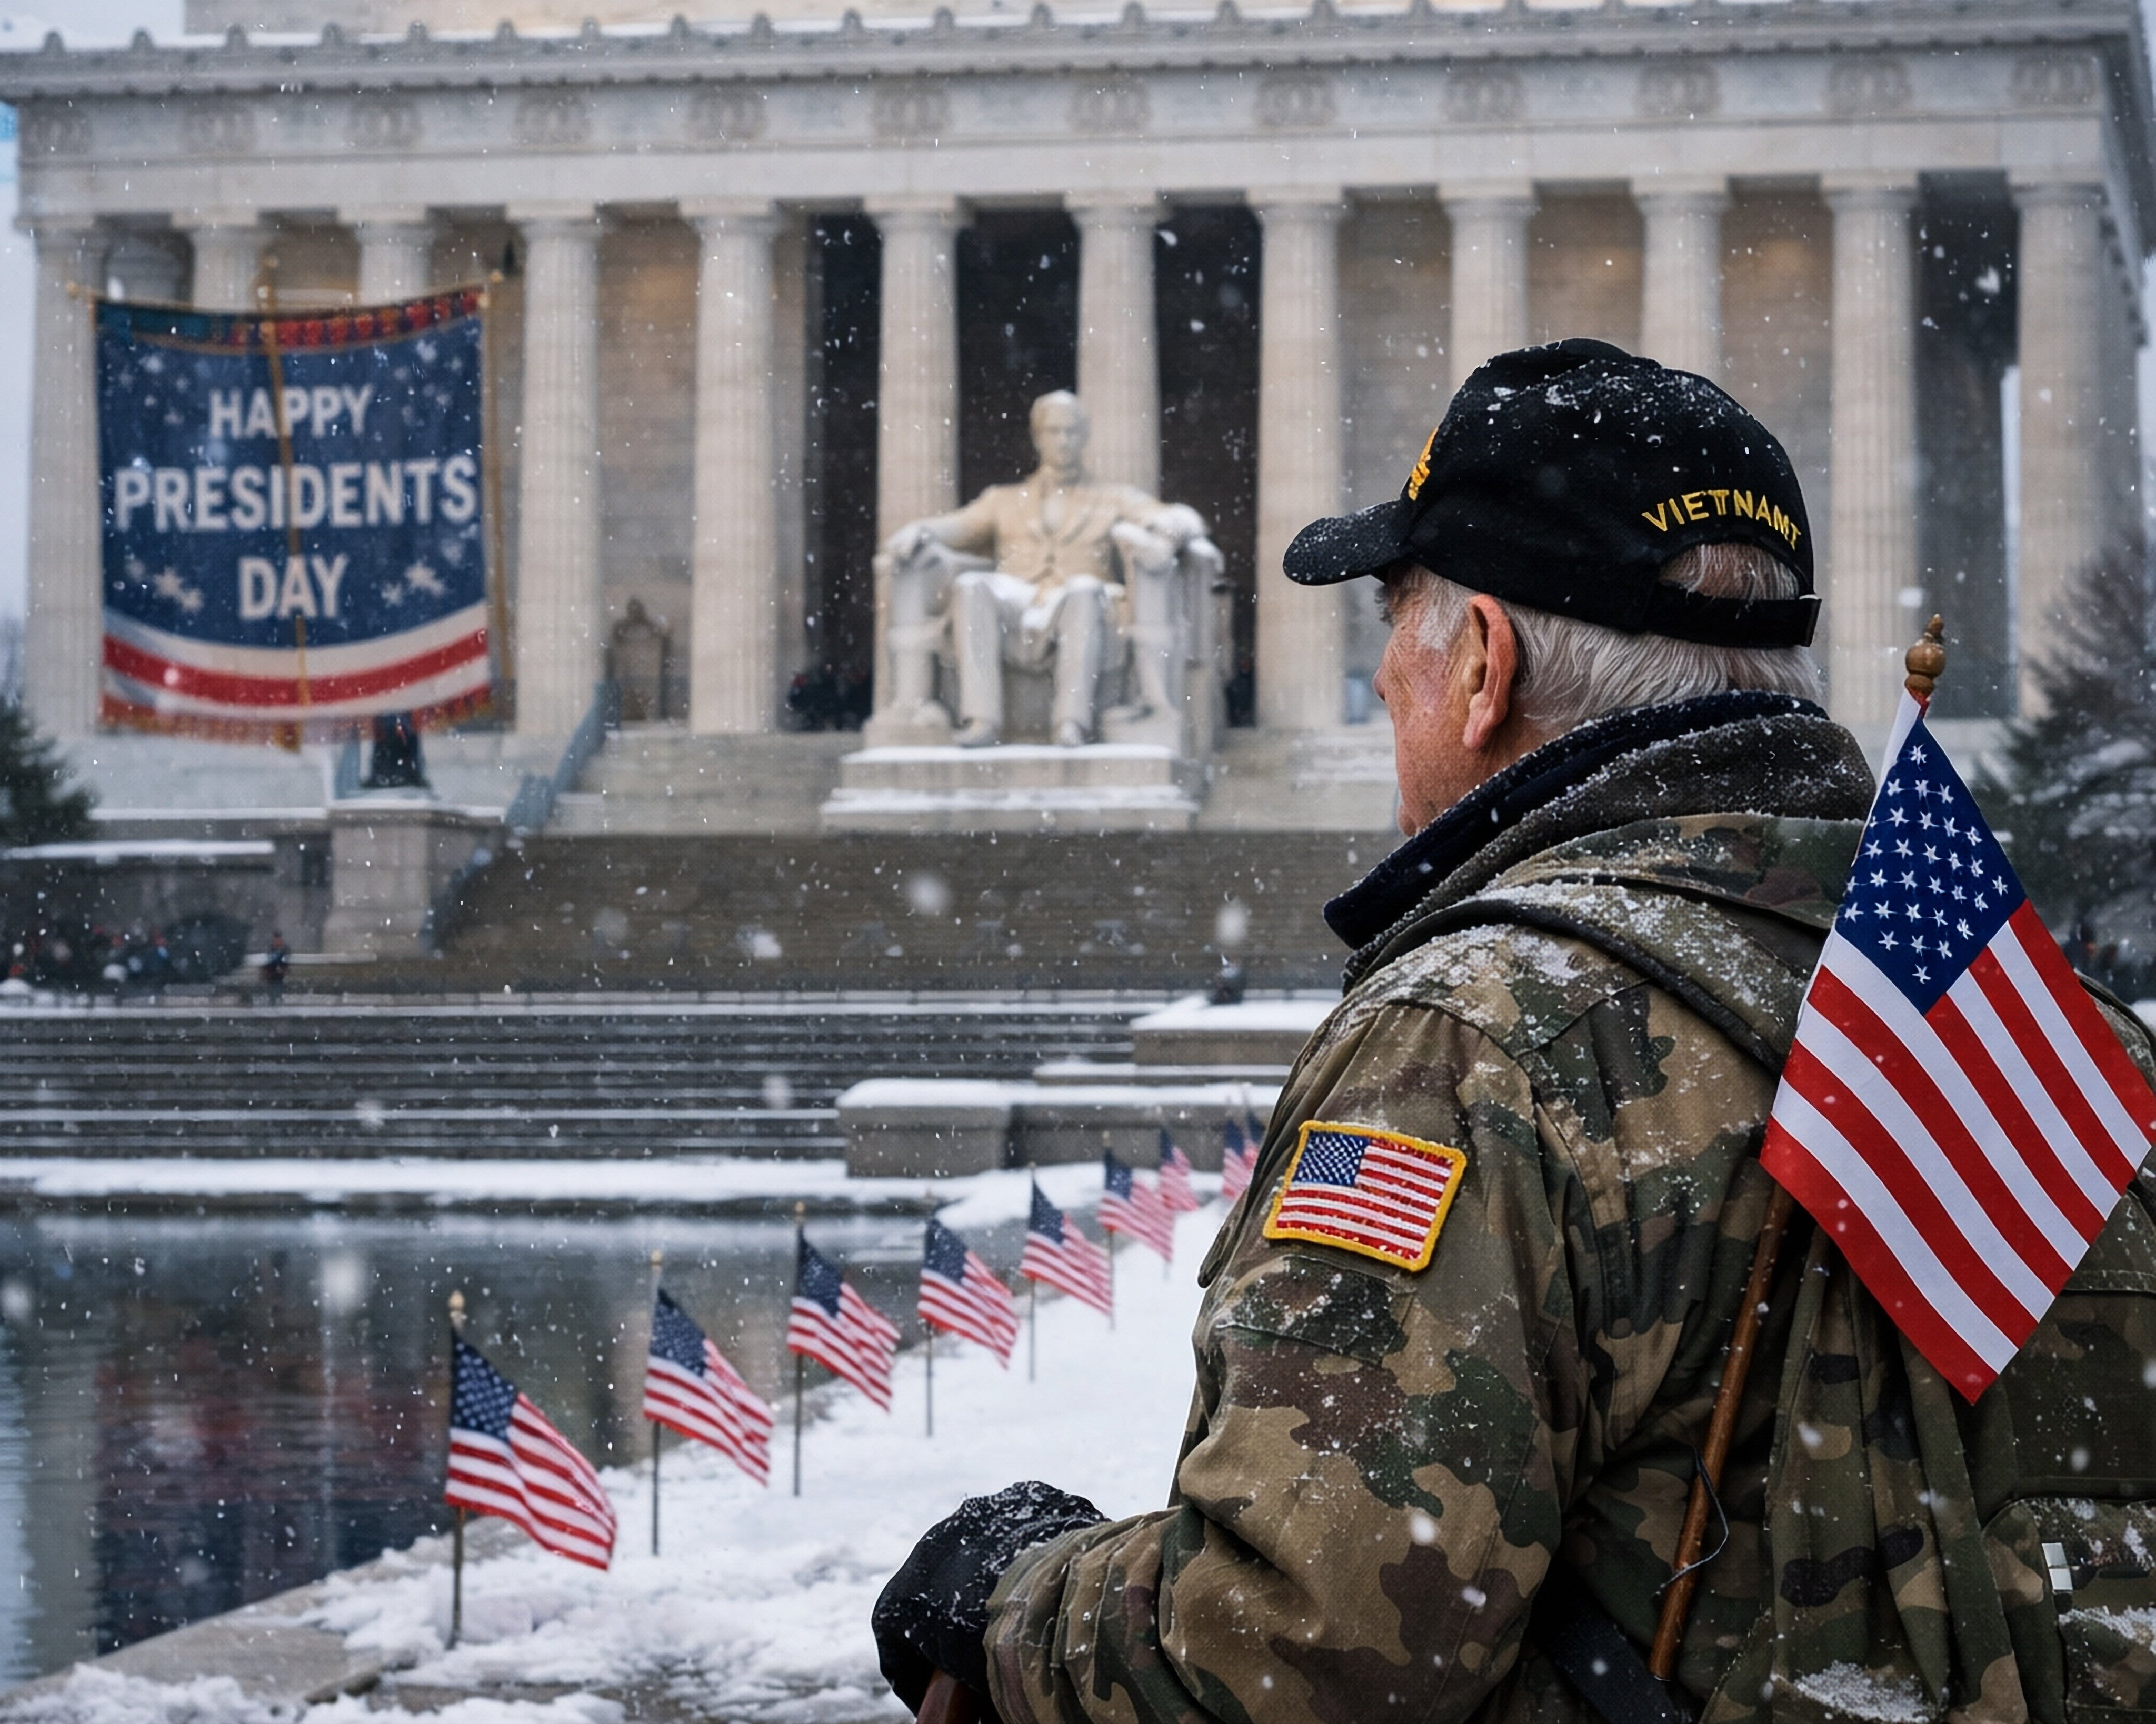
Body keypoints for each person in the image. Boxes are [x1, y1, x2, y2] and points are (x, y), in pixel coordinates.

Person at [873, 341, 2156, 1724]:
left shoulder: (1480, 1042)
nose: (1376, 689)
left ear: (1484, 663)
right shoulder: (2074, 1041)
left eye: (1396, 627)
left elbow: (1304, 1653)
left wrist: (1011, 1594)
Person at [882, 391, 1206, 747]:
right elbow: (956, 527)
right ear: (1038, 437)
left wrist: (1167, 537)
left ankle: (1072, 722)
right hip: (1017, 597)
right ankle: (982, 720)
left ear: (1083, 436)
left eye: (1071, 432)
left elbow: (1180, 518)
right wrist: (920, 530)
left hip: (1080, 599)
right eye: (1054, 432)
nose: (1063, 441)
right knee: (973, 586)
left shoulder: (1112, 497)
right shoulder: (1003, 499)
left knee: (1084, 590)